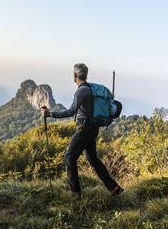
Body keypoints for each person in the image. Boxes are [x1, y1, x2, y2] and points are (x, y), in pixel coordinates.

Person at [41, 63, 123, 198]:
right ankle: (114, 188)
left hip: (85, 129)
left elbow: (71, 111)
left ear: (75, 75)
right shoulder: (90, 89)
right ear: (86, 74)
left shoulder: (81, 90)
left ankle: (75, 192)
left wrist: (51, 114)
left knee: (69, 157)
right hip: (93, 128)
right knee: (93, 159)